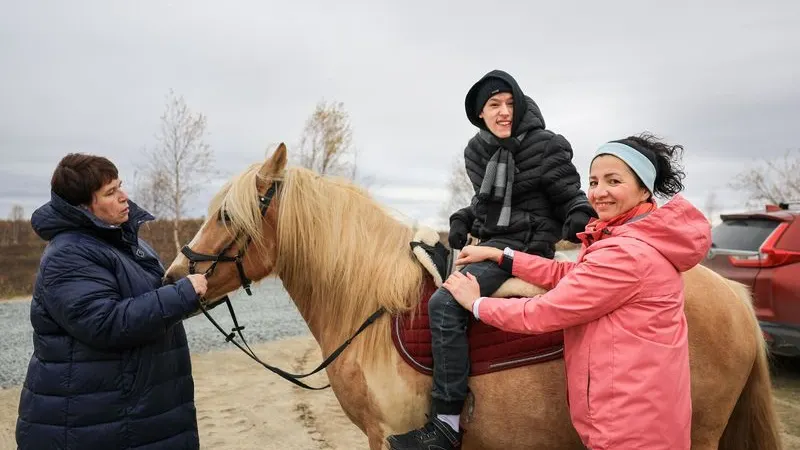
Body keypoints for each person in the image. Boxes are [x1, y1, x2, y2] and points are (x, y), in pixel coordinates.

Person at [443, 133, 709, 450]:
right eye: (594, 182)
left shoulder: (625, 255)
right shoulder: (630, 242)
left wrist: (476, 304)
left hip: (629, 427)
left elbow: (544, 312)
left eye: (613, 181)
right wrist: (502, 256)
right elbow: (574, 275)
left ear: (643, 190)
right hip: (643, 414)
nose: (599, 193)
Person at [387, 70, 595, 449]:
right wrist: (461, 219)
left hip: (525, 249)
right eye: (493, 105)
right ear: (479, 113)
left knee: (445, 303)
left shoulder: (547, 146)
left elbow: (570, 193)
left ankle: (446, 424)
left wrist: (579, 214)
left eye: (510, 104)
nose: (503, 112)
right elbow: (486, 203)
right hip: (487, 244)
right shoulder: (477, 151)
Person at [16, 154, 207, 450]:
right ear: (82, 207)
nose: (124, 196)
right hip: (94, 422)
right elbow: (106, 323)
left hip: (135, 411)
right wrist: (182, 295)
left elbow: (152, 301)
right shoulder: (68, 255)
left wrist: (203, 290)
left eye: (120, 186)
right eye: (110, 192)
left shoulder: (124, 242)